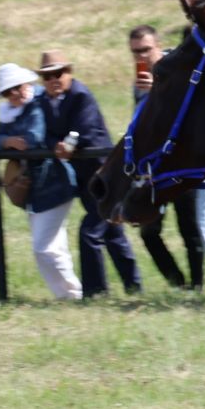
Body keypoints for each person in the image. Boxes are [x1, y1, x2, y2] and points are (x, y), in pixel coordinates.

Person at [38, 51, 140, 296]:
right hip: (83, 178)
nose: (53, 79)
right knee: (113, 233)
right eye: (47, 75)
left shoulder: (81, 96)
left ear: (69, 72)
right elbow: (45, 132)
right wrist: (56, 145)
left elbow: (83, 130)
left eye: (58, 73)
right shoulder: (43, 101)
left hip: (104, 177)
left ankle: (95, 292)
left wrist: (66, 146)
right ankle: (134, 286)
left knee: (90, 232)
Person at [0, 61, 82, 300]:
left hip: (54, 182)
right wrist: (8, 141)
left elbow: (33, 138)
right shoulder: (11, 112)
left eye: (17, 87)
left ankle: (72, 293)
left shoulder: (37, 105)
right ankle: (69, 296)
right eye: (7, 91)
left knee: (43, 247)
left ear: (27, 84)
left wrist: (8, 139)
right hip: (38, 186)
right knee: (54, 246)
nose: (13, 94)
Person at [130, 26, 204, 291]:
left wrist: (156, 89)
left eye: (146, 50)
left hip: (183, 161)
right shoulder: (138, 81)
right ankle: (178, 282)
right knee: (149, 231)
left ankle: (197, 285)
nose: (142, 56)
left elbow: (184, 110)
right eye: (136, 52)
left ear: (158, 45)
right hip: (154, 166)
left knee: (189, 228)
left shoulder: (176, 69)